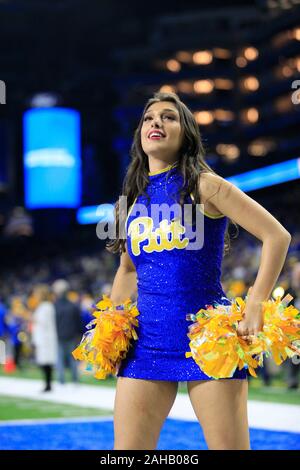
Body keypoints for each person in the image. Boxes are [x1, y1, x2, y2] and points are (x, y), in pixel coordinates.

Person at [105, 91, 291, 450]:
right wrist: (113, 325)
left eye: (168, 117)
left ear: (186, 133)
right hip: (147, 344)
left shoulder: (206, 185)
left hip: (208, 339)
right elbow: (128, 268)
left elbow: (276, 235)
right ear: (140, 135)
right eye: (149, 118)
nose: (156, 122)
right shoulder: (131, 202)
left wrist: (255, 302)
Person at [52, 279, 82, 384]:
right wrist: (79, 334)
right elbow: (78, 321)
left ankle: (61, 380)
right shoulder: (73, 305)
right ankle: (75, 379)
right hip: (71, 335)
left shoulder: (54, 306)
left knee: (59, 358)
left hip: (59, 335)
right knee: (72, 358)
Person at [31, 284, 58, 392]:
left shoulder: (47, 306)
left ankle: (48, 384)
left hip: (46, 339)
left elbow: (43, 322)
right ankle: (47, 384)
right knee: (43, 362)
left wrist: (31, 318)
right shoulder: (43, 306)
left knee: (46, 362)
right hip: (43, 338)